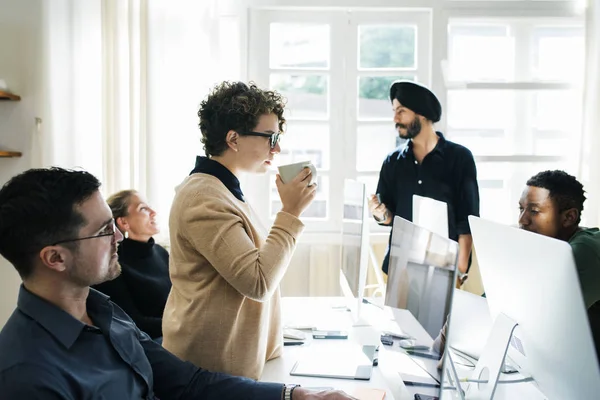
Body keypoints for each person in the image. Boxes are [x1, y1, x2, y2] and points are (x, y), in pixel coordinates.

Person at [0, 167, 354, 400]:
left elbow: (190, 382)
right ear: (55, 258)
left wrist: (296, 395)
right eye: (104, 231)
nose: (119, 239)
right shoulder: (27, 374)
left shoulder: (104, 313)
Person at [162, 81, 316, 380]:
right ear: (233, 139)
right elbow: (257, 282)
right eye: (271, 137)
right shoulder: (203, 198)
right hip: (208, 374)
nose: (278, 148)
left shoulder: (223, 189)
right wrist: (291, 212)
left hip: (236, 365)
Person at [367, 80, 480, 280]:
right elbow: (389, 217)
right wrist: (380, 213)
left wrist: (460, 269)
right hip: (399, 267)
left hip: (444, 267)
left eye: (401, 111)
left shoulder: (460, 158)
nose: (395, 118)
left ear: (422, 113)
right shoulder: (392, 161)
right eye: (394, 111)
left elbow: (467, 218)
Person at [518, 170, 600, 362]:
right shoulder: (553, 246)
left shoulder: (584, 251)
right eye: (520, 209)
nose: (522, 220)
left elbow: (539, 318)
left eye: (534, 211)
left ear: (569, 217)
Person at [92, 190, 171, 341]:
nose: (153, 212)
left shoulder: (161, 252)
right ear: (123, 222)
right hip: (147, 340)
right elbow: (131, 322)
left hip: (174, 331)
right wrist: (180, 326)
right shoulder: (113, 263)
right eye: (143, 209)